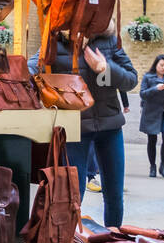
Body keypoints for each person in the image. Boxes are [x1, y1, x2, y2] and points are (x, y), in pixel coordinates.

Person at [29, 19, 138, 229]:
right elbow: (31, 68)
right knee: (74, 192)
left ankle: (113, 238)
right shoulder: (53, 44)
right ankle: (68, 237)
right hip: (75, 128)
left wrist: (105, 68)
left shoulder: (108, 42)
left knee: (114, 192)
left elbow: (131, 79)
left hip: (110, 126)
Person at [139, 54, 164, 178]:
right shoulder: (148, 77)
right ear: (156, 65)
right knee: (152, 139)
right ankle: (152, 166)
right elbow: (142, 94)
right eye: (161, 65)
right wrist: (155, 88)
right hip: (151, 112)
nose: (163, 68)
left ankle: (163, 165)